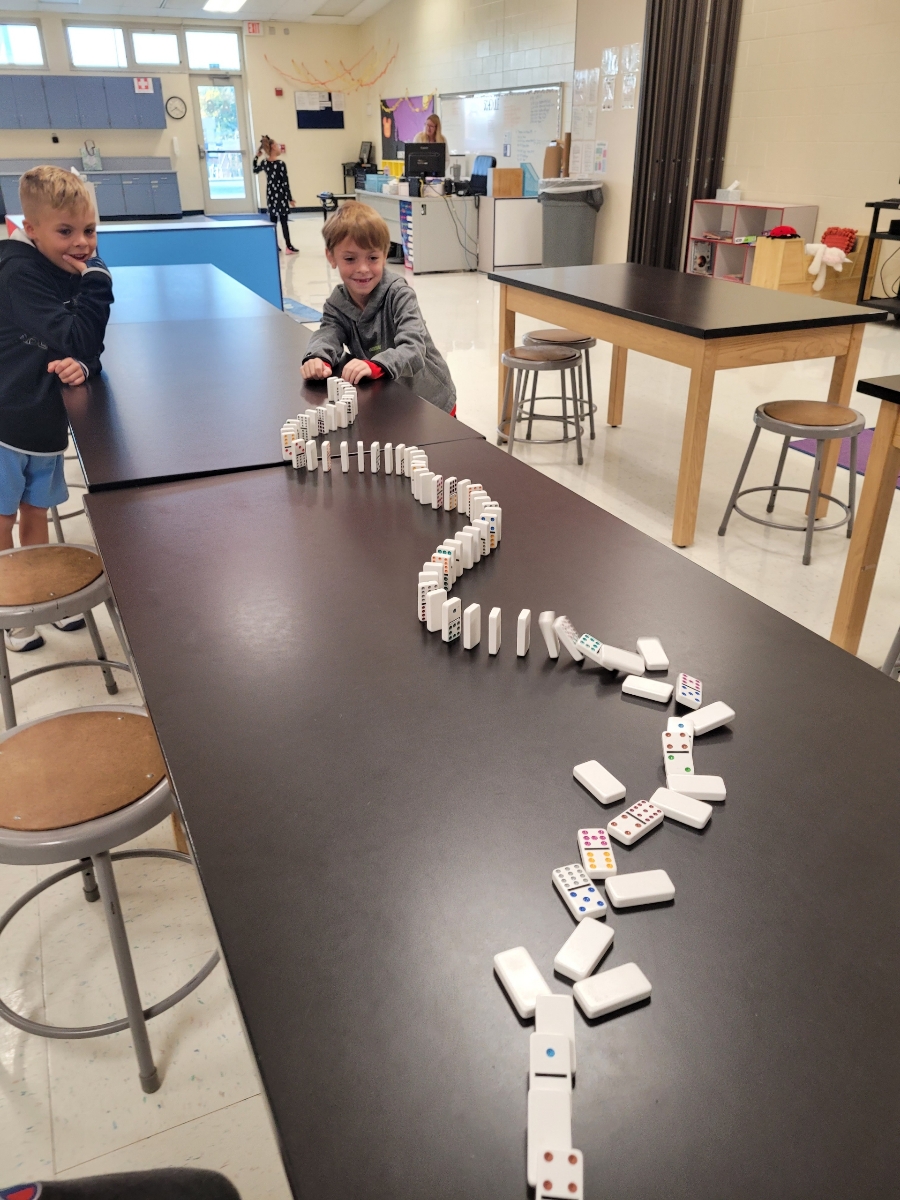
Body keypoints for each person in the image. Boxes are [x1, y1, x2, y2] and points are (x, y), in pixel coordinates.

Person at [0, 166, 113, 652]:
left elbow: (88, 345)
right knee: (1, 521)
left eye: (89, 230)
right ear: (31, 229)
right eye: (66, 231)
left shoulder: (67, 268)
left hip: (46, 421)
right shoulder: (19, 272)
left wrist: (83, 366)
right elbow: (74, 333)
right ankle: (12, 609)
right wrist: (100, 284)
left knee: (37, 510)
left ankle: (42, 593)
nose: (83, 243)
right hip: (7, 421)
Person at [300, 202, 456, 413]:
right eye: (350, 258)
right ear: (331, 257)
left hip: (429, 400)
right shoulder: (337, 303)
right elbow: (328, 333)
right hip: (389, 399)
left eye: (372, 258)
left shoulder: (399, 294)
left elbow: (414, 348)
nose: (363, 269)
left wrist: (376, 365)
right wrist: (318, 357)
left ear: (384, 255)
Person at [253, 136, 297, 254]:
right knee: (283, 221)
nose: (279, 147)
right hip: (281, 194)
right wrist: (290, 198)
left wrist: (257, 156)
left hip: (271, 194)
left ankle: (275, 245)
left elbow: (255, 170)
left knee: (273, 221)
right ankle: (288, 246)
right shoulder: (281, 164)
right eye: (277, 145)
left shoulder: (265, 163)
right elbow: (285, 182)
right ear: (273, 147)